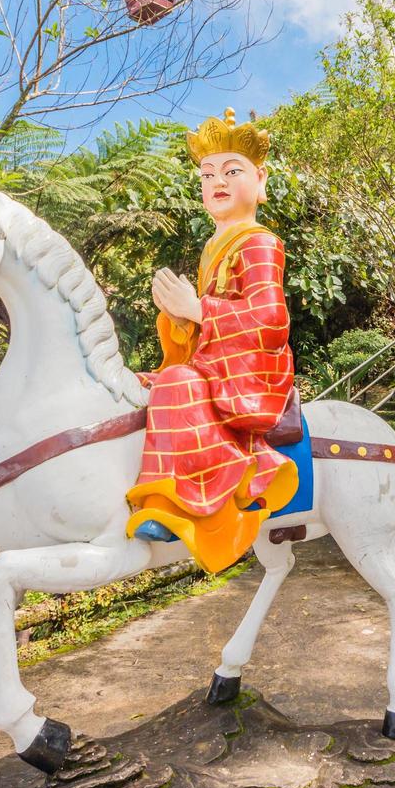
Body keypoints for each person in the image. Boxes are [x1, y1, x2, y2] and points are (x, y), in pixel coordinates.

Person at [126, 108, 297, 572]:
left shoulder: (260, 242)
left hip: (253, 370)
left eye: (232, 171)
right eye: (207, 174)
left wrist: (198, 309)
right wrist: (180, 322)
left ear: (260, 181)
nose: (217, 181)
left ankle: (184, 499)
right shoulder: (213, 247)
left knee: (177, 383)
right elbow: (205, 326)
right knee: (144, 381)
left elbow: (270, 319)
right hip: (216, 360)